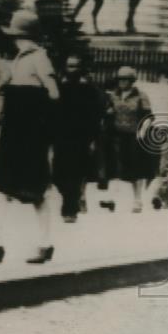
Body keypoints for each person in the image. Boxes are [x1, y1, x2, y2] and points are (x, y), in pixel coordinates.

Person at [0, 9, 59, 265]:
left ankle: (45, 244)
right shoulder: (19, 59)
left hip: (29, 134)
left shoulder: (39, 57)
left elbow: (54, 93)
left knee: (36, 190)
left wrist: (36, 119)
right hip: (13, 131)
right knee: (0, 186)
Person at [52, 55, 104, 222]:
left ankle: (70, 209)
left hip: (80, 138)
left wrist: (93, 139)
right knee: (59, 174)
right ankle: (71, 199)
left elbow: (96, 115)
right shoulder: (59, 87)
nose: (72, 69)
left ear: (81, 68)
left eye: (75, 66)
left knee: (75, 173)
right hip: (61, 137)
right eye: (69, 66)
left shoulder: (89, 89)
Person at [104, 66, 154, 213]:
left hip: (134, 136)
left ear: (132, 80)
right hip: (117, 135)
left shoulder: (141, 96)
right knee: (115, 166)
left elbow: (149, 117)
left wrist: (142, 132)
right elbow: (109, 112)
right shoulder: (114, 95)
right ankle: (111, 199)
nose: (122, 82)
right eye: (120, 79)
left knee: (135, 168)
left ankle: (137, 200)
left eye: (125, 79)